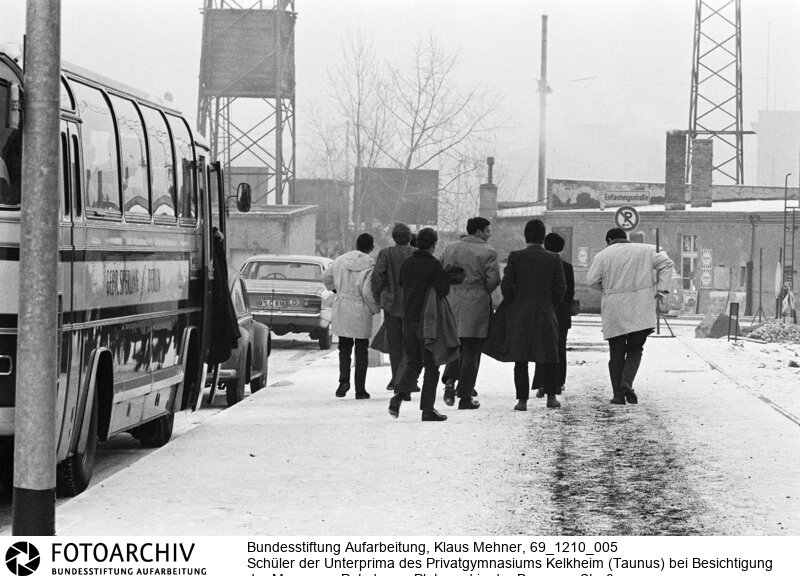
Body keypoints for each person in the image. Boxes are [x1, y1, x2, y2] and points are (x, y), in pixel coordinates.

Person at [585, 227, 674, 405]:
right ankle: (627, 381)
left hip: (614, 308)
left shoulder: (603, 255)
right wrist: (662, 289)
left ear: (609, 240)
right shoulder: (646, 250)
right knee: (635, 349)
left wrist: (607, 290)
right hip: (641, 306)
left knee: (616, 354)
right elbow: (667, 264)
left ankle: (618, 395)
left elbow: (591, 281)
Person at [484, 219, 565, 410]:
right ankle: (551, 397)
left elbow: (507, 285)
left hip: (520, 313)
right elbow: (560, 288)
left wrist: (514, 302)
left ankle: (522, 400)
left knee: (521, 357)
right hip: (546, 312)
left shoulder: (515, 257)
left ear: (525, 236)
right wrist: (550, 303)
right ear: (543, 237)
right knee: (549, 356)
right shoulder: (554, 259)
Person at [388, 228, 451, 422]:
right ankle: (427, 409)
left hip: (408, 319)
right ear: (434, 244)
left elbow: (401, 283)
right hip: (427, 322)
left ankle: (398, 396)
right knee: (431, 365)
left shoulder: (407, 264)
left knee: (413, 362)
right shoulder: (433, 265)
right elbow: (443, 290)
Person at [439, 217, 500, 409]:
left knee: (455, 345)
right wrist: (482, 291)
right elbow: (494, 279)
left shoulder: (450, 248)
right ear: (479, 231)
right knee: (471, 349)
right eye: (487, 230)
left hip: (452, 299)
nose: (489, 234)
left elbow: (440, 271)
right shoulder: (488, 252)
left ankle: (449, 381)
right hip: (476, 301)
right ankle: (465, 396)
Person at [323, 233, 380, 399]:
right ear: (371, 247)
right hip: (361, 308)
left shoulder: (340, 260)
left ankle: (343, 381)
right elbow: (367, 291)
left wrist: (335, 290)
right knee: (361, 349)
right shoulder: (370, 264)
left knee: (344, 346)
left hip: (342, 306)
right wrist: (375, 308)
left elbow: (326, 278)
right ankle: (360, 389)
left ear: (356, 244)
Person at [371, 223, 415, 395]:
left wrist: (379, 296)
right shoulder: (415, 253)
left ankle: (397, 378)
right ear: (409, 237)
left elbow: (377, 277)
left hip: (391, 304)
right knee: (411, 344)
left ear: (394, 237)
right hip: (413, 305)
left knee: (395, 344)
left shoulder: (386, 254)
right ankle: (409, 379)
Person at [533, 232, 574, 398]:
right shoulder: (567, 267)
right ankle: (558, 382)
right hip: (562, 314)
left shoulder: (538, 265)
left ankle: (542, 383)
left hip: (542, 311)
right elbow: (569, 292)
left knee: (541, 347)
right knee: (560, 348)